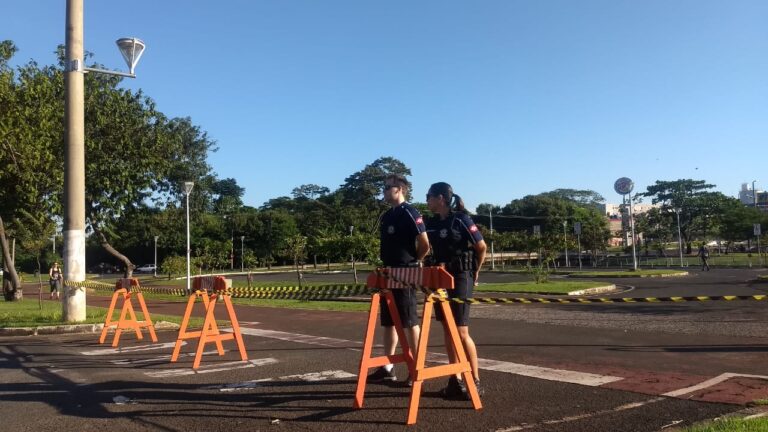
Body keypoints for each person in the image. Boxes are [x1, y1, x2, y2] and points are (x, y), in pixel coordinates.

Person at [425, 182, 487, 399]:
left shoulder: (461, 219)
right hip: (441, 278)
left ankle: (475, 380)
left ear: (441, 198)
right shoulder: (431, 223)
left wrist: (475, 271)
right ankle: (455, 379)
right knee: (447, 330)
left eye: (429, 196)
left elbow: (481, 247)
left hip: (461, 276)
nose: (427, 200)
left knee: (461, 331)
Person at [368, 174, 430, 385]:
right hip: (388, 273)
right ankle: (387, 367)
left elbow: (424, 243)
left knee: (409, 321)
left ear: (400, 189)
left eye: (387, 187)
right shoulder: (387, 216)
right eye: (384, 187)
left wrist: (415, 261)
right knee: (388, 322)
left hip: (405, 273)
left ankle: (417, 368)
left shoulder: (410, 212)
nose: (384, 191)